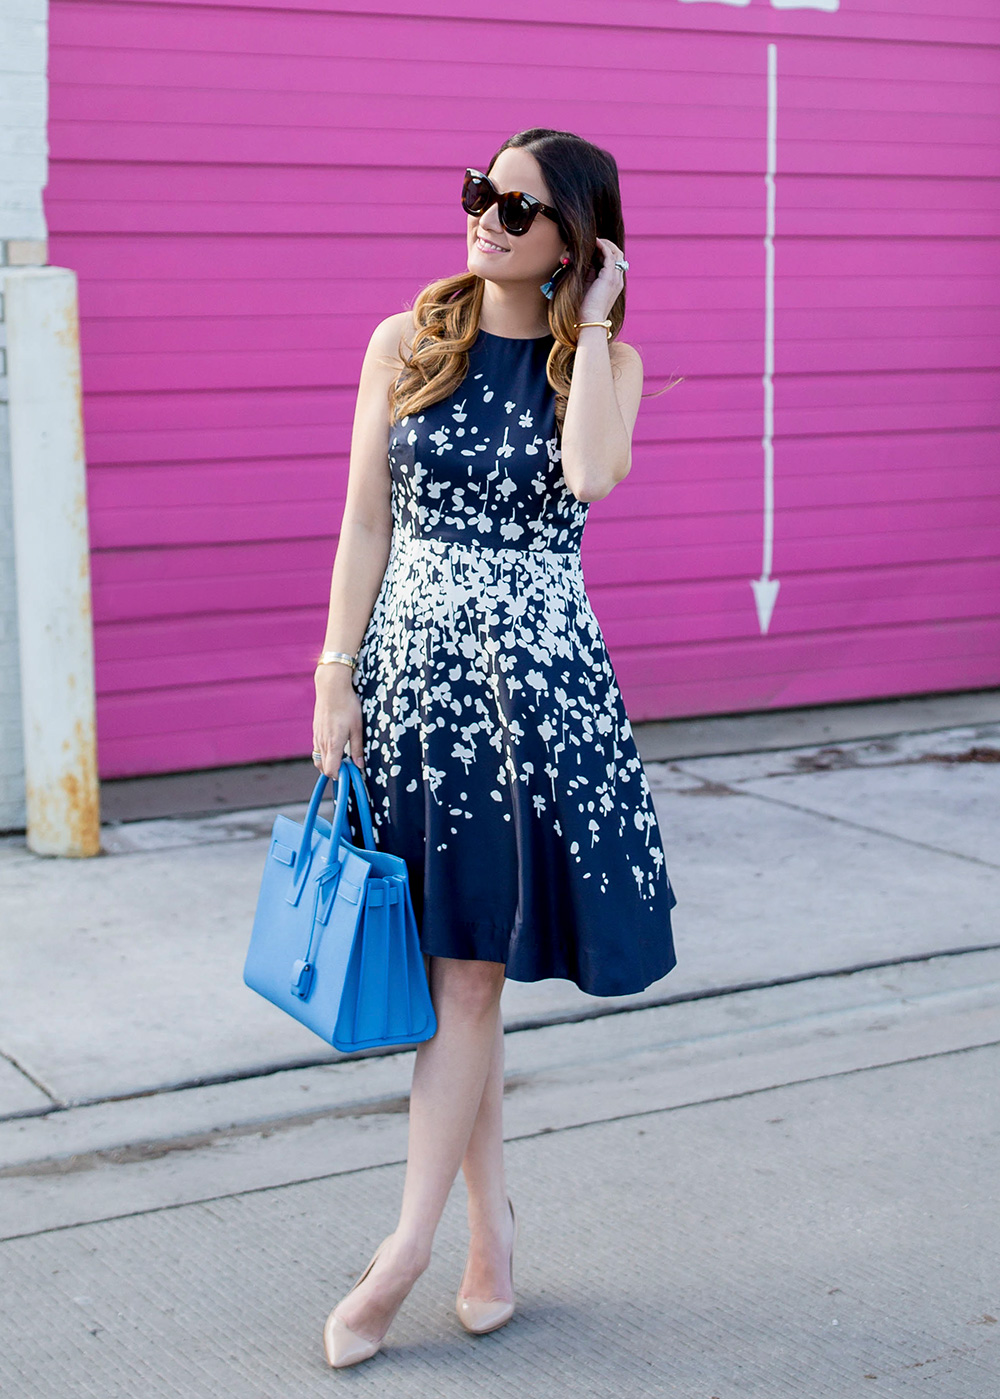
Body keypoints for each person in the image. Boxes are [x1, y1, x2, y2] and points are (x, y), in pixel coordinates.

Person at [310, 126, 678, 1368]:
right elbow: (366, 518)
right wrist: (332, 671)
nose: (484, 218)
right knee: (451, 975)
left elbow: (588, 478)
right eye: (479, 194)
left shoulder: (606, 368)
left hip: (533, 697)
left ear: (576, 239)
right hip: (412, 683)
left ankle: (401, 1254)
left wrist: (593, 323)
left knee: (465, 976)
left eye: (517, 209)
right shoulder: (402, 339)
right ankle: (490, 1236)